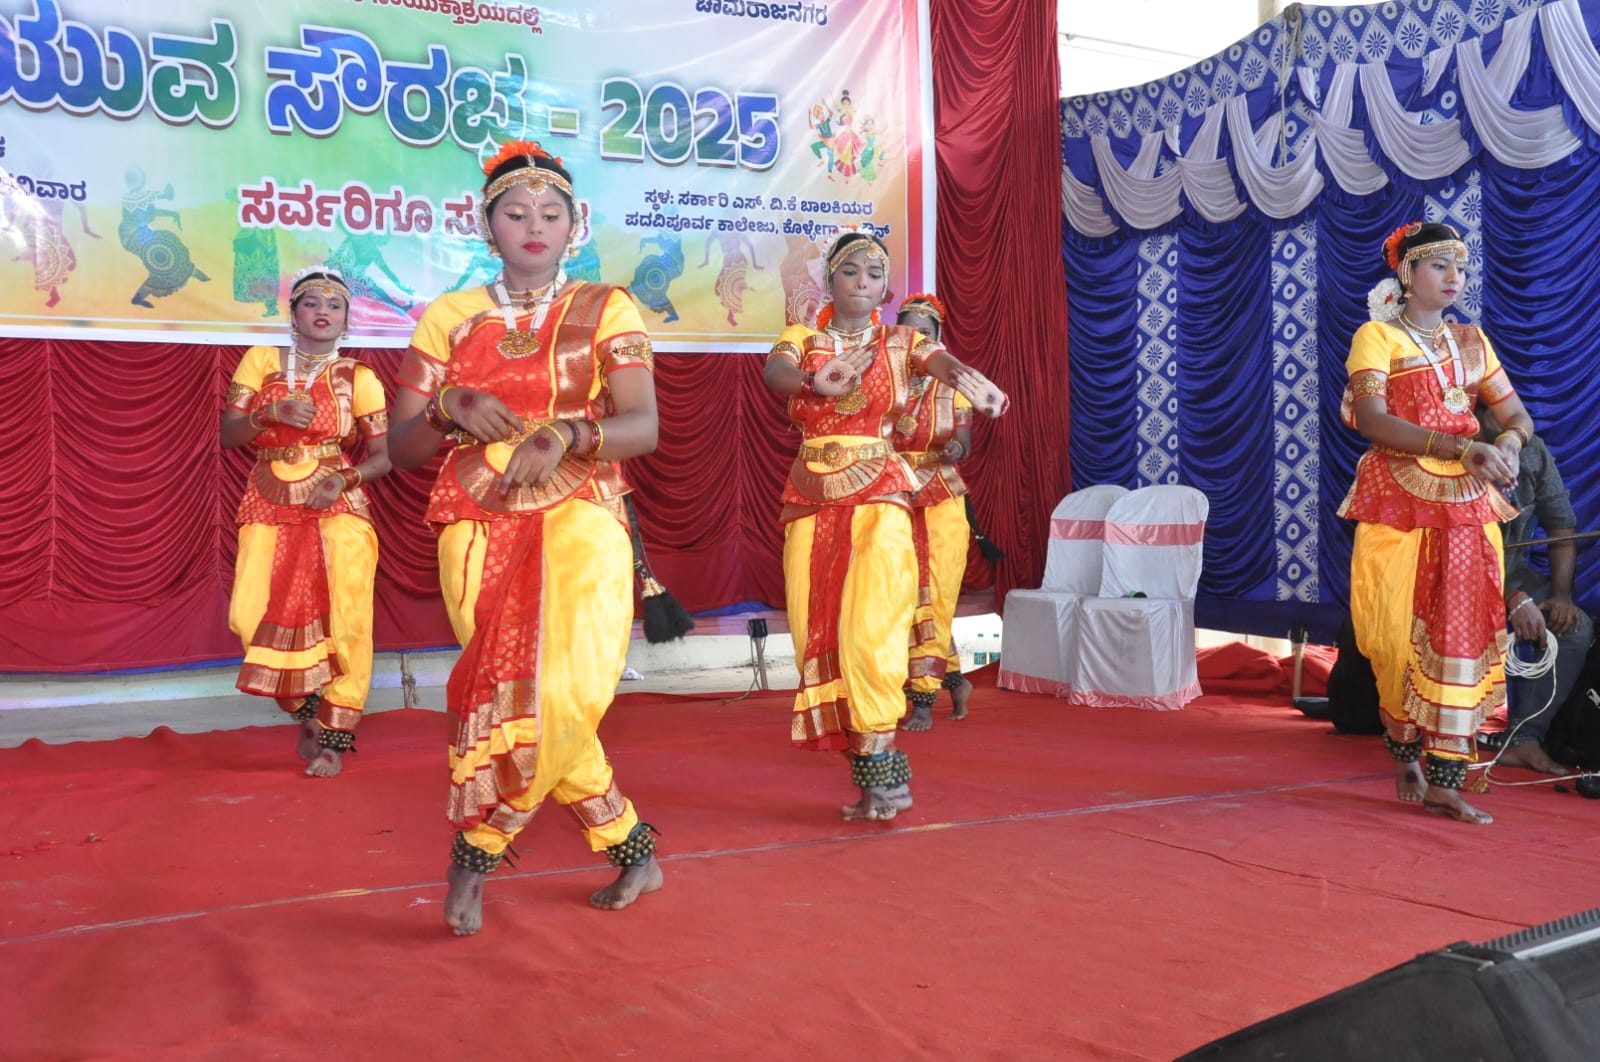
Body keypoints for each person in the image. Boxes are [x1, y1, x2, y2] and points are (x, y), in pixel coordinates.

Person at [387, 141, 662, 935]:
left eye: (551, 213)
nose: (533, 225)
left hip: (583, 511)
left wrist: (570, 435)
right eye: (515, 213)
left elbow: (642, 425)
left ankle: (475, 850)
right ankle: (628, 842)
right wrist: (449, 409)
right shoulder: (448, 316)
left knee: (562, 691)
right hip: (475, 518)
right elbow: (405, 447)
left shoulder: (608, 306)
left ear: (575, 226)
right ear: (486, 225)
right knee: (506, 691)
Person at [763, 232, 1008, 821]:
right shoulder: (804, 338)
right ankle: (871, 773)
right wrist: (809, 382)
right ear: (831, 279)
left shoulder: (902, 340)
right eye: (852, 271)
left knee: (873, 627)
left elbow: (937, 360)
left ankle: (882, 766)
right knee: (814, 631)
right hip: (812, 491)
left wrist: (966, 376)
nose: (864, 281)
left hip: (881, 490)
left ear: (884, 287)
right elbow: (776, 372)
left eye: (876, 273)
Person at [1339, 221, 1534, 825]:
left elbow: (1514, 413)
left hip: (1470, 504)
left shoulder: (1474, 343)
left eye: (1461, 268)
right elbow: (1372, 421)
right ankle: (1404, 750)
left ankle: (1446, 778)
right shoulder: (1376, 337)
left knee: (1462, 634)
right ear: (1407, 273)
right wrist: (1458, 448)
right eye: (1440, 266)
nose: (1455, 278)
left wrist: (1511, 444)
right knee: (1392, 638)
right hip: (1397, 498)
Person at [220, 267, 390, 778]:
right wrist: (267, 417)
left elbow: (384, 456)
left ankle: (337, 738)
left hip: (336, 499)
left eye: (334, 305)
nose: (323, 311)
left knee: (347, 618)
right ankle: (306, 709)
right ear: (293, 314)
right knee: (249, 614)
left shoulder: (359, 376)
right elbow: (230, 436)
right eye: (311, 302)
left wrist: (347, 479)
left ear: (345, 320)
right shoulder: (262, 361)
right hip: (268, 496)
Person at [1475, 408, 1592, 774]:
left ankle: (1523, 739)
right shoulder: (1452, 450)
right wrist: (1514, 598)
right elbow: (1462, 545)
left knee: (1575, 629)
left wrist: (1560, 595)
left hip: (1513, 573)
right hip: (1453, 575)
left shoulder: (1532, 451)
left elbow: (1562, 530)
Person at [893, 293, 975, 730]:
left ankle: (922, 699)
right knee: (902, 598)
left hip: (942, 499)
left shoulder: (953, 382)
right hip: (893, 497)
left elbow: (965, 442)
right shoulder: (882, 379)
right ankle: (956, 680)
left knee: (935, 600)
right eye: (908, 332)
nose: (916, 340)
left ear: (939, 339)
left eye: (925, 333)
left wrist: (954, 448)